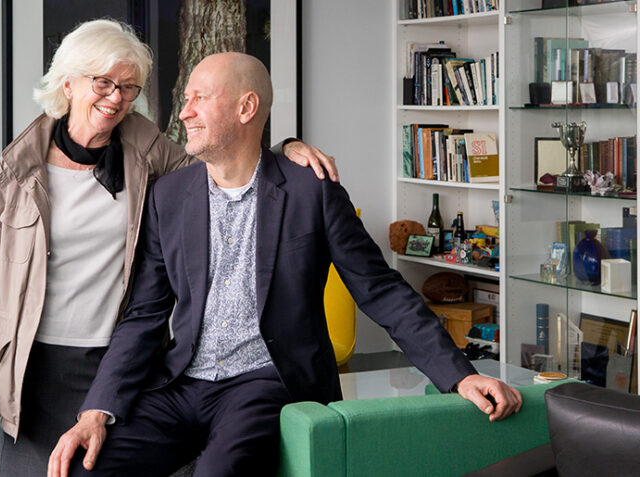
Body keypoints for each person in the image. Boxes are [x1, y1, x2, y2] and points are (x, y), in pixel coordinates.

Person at [47, 52, 523, 477]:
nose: (184, 111)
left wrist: (459, 374)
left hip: (267, 381)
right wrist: (97, 411)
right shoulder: (169, 197)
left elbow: (380, 288)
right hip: (182, 382)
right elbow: (145, 315)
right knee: (88, 468)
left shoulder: (311, 191)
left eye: (199, 98)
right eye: (185, 98)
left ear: (246, 107)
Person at [0, 20, 337, 476]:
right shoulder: (17, 165)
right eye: (103, 83)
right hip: (33, 361)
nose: (116, 97)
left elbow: (225, 160)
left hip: (115, 358)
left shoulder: (148, 149)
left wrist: (288, 147)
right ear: (68, 82)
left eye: (128, 87)